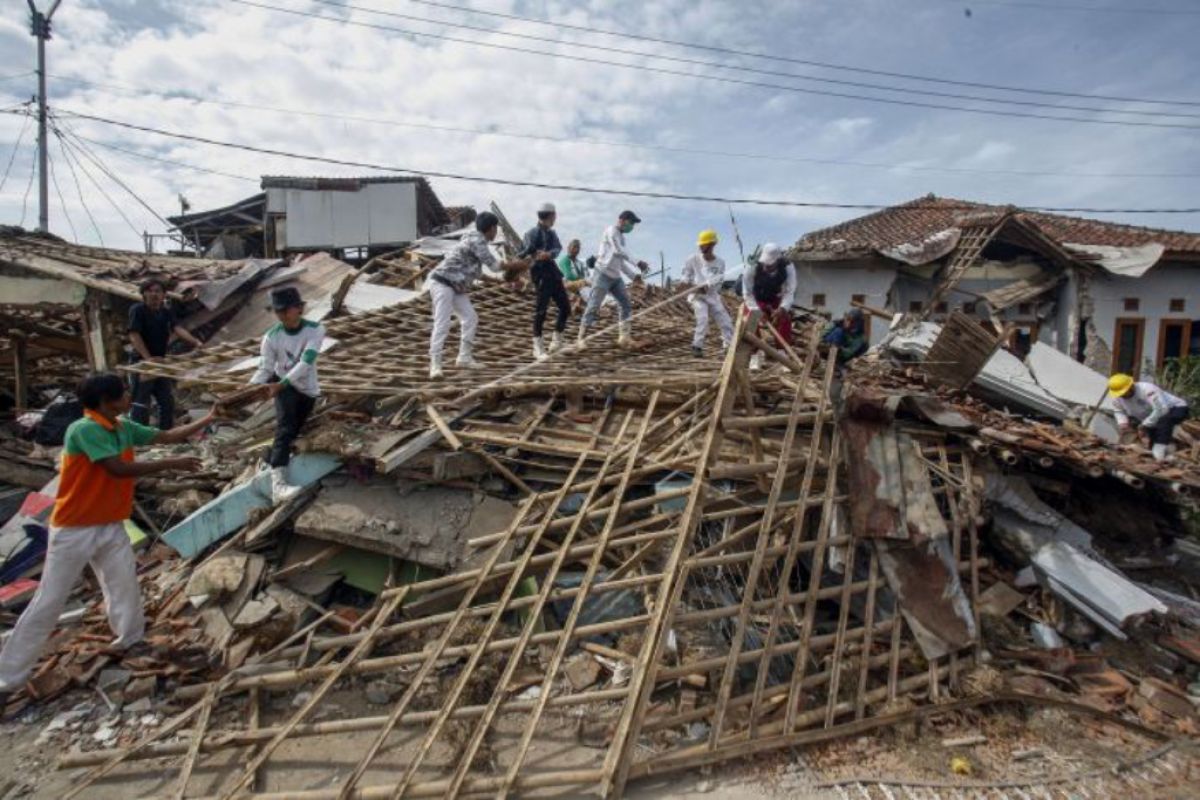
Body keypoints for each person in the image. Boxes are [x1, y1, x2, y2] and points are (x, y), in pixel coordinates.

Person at [0, 374, 211, 716]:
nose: (129, 395)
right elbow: (117, 469)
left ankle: (130, 639)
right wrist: (173, 464)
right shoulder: (83, 430)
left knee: (123, 584)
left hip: (109, 523)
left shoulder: (122, 425)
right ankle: (7, 679)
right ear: (106, 401)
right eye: (124, 392)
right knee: (49, 601)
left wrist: (211, 417)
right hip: (73, 529)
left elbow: (166, 434)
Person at [426, 211, 529, 379]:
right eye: (496, 229)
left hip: (456, 286)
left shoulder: (474, 241)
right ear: (492, 228)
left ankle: (464, 358)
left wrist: (502, 282)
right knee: (442, 323)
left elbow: (478, 274)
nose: (496, 233)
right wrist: (518, 264)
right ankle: (435, 365)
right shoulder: (477, 240)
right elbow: (495, 266)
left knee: (470, 317)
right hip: (442, 283)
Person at [250, 287, 326, 503]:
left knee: (296, 429)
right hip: (284, 385)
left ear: (299, 309)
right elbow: (265, 368)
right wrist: (251, 387)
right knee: (285, 427)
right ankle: (278, 486)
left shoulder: (315, 329)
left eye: (286, 310)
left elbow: (306, 361)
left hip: (306, 386)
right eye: (278, 311)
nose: (282, 315)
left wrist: (281, 384)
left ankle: (270, 460)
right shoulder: (271, 337)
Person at [127, 278, 204, 429]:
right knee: (141, 402)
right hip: (141, 363)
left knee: (166, 400)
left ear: (163, 295)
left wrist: (195, 342)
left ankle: (166, 434)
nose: (154, 294)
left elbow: (177, 328)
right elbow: (134, 335)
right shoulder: (138, 310)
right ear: (144, 294)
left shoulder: (165, 312)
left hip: (160, 362)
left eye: (158, 291)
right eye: (150, 291)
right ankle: (140, 437)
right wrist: (148, 359)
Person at [578, 210, 649, 349]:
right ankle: (581, 338)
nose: (632, 226)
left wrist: (634, 276)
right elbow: (618, 251)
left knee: (625, 304)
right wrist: (638, 262)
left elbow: (620, 262)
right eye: (631, 222)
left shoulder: (622, 238)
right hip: (602, 274)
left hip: (615, 278)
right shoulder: (611, 231)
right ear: (622, 220)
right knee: (594, 305)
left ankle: (624, 337)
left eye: (634, 224)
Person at [520, 202, 569, 361]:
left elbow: (557, 249)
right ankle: (537, 347)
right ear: (550, 216)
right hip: (540, 274)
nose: (555, 218)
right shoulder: (531, 233)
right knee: (541, 311)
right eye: (554, 216)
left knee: (566, 307)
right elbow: (522, 252)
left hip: (554, 274)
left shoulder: (552, 233)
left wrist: (548, 254)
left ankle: (556, 341)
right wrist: (534, 253)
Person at [1108, 373, 1191, 462]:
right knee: (1153, 437)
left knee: (1165, 421)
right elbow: (1118, 411)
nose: (1123, 395)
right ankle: (1160, 457)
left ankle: (1159, 452)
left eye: (1124, 392)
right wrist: (1122, 423)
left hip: (1175, 408)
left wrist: (1144, 424)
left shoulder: (1147, 389)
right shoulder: (1118, 398)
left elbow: (1161, 409)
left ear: (1131, 386)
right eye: (1121, 394)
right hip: (1151, 416)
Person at [740, 243, 797, 369]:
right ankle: (756, 354)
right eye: (765, 263)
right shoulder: (752, 267)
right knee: (750, 320)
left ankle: (782, 354)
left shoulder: (788, 267)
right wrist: (757, 312)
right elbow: (747, 293)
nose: (766, 267)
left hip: (775, 298)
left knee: (785, 319)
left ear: (778, 261)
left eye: (770, 265)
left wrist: (782, 308)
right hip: (756, 298)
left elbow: (790, 291)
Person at [681, 229, 733, 357]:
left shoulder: (720, 263)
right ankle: (697, 346)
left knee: (725, 321)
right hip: (697, 296)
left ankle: (729, 346)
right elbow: (685, 277)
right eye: (700, 244)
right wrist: (690, 285)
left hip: (712, 296)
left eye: (704, 244)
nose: (700, 246)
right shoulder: (693, 259)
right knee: (702, 318)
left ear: (712, 245)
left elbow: (718, 282)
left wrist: (708, 286)